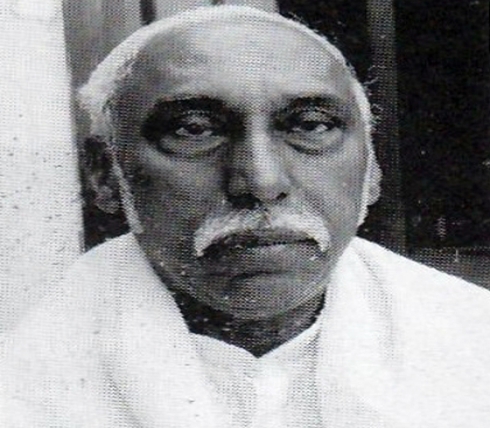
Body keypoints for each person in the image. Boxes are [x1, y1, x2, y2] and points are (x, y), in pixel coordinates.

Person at [1, 5, 490, 428]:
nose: (260, 181)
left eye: (310, 126)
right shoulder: (22, 378)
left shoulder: (472, 342)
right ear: (105, 175)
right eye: (195, 130)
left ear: (372, 169)